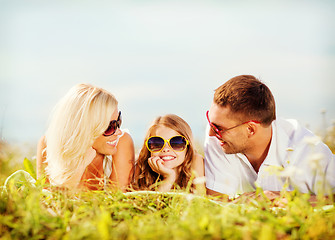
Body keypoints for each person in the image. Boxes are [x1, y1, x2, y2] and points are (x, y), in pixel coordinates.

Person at [204, 75, 335, 200]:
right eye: (210, 122)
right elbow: (218, 203)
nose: (211, 133)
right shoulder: (218, 140)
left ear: (250, 129)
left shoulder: (308, 150)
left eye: (218, 128)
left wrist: (285, 199)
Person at [36, 83, 135, 192]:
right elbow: (50, 202)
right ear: (85, 128)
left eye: (118, 121)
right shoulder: (48, 145)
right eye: (109, 127)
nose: (118, 131)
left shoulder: (121, 142)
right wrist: (79, 168)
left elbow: (117, 201)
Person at [133, 114, 204, 192]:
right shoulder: (141, 166)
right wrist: (169, 178)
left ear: (188, 146)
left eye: (176, 142)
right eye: (157, 143)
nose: (166, 149)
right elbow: (152, 204)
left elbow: (200, 201)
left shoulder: (195, 161)